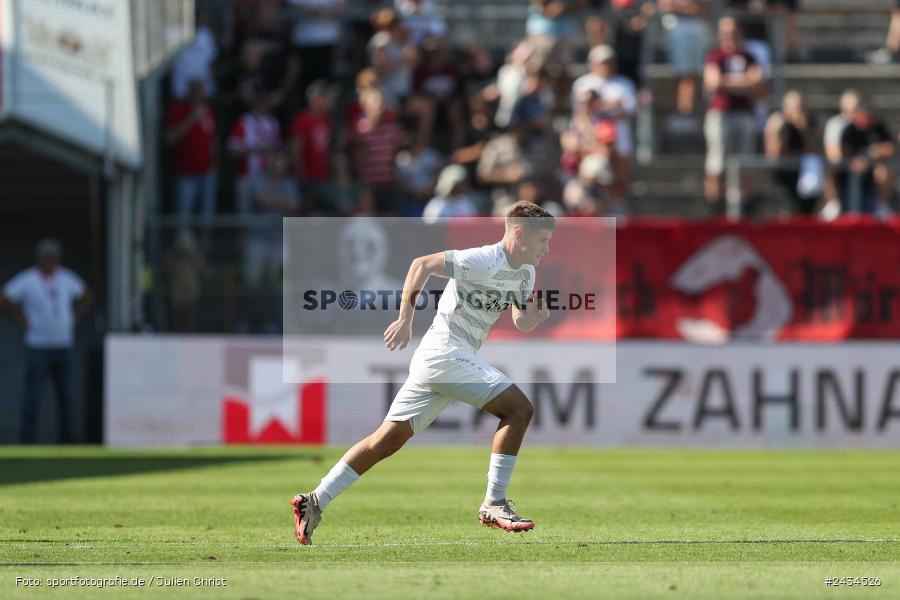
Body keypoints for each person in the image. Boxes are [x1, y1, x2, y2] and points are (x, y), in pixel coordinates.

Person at [290, 201, 555, 544]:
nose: (546, 249)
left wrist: (534, 317)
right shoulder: (483, 259)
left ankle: (313, 501)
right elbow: (422, 264)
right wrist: (405, 318)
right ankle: (494, 503)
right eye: (542, 240)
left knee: (386, 440)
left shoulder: (525, 273)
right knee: (519, 409)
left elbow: (520, 320)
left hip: (444, 359)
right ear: (519, 234)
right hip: (445, 352)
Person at [0, 240, 91, 443]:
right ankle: (28, 440)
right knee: (33, 396)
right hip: (37, 345)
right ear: (40, 260)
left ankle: (68, 441)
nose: (50, 262)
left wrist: (74, 316)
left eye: (53, 258)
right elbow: (4, 298)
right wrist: (19, 317)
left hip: (64, 345)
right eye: (46, 258)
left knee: (66, 395)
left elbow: (86, 295)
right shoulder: (28, 279)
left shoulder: (66, 278)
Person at [702, 17, 763, 205]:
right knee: (717, 161)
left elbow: (757, 82)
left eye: (733, 31)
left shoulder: (749, 56)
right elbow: (713, 82)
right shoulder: (715, 55)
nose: (730, 36)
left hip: (744, 113)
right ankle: (714, 205)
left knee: (744, 161)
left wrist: (726, 82)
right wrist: (743, 82)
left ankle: (742, 205)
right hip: (721, 112)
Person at [164, 78, 218, 229]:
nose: (198, 94)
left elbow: (212, 139)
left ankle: (205, 250)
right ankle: (182, 250)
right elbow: (168, 139)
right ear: (188, 91)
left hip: (207, 173)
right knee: (183, 219)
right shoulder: (177, 110)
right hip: (185, 174)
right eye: (194, 90)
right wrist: (191, 119)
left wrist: (214, 165)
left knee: (207, 220)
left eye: (200, 90)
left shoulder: (208, 111)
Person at [763, 90, 817, 214]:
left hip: (801, 177)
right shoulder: (778, 122)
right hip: (782, 178)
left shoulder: (805, 125)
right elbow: (775, 153)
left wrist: (803, 129)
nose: (800, 111)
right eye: (797, 107)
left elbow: (812, 150)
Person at [838, 102, 896, 214]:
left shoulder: (878, 128)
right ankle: (835, 203)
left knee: (886, 169)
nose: (865, 119)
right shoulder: (849, 130)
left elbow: (891, 148)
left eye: (868, 116)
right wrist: (860, 159)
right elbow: (843, 153)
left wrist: (872, 154)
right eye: (862, 115)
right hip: (849, 176)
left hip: (873, 174)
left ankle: (881, 204)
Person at [290, 80, 337, 213]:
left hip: (323, 179)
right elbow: (296, 151)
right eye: (328, 97)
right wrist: (303, 179)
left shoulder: (327, 120)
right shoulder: (302, 120)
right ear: (317, 99)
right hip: (308, 180)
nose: (331, 101)